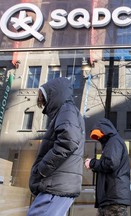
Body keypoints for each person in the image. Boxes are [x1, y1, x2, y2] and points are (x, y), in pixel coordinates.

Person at [27, 77, 85, 216]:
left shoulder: (66, 109)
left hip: (55, 185)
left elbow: (68, 141)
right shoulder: (67, 110)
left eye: (44, 99)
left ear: (53, 95)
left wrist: (42, 169)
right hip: (58, 184)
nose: (43, 104)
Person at [84, 118, 131, 216]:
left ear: (104, 130)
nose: (98, 139)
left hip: (113, 198)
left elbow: (111, 164)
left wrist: (92, 163)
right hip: (111, 198)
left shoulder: (113, 141)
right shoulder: (112, 143)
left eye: (98, 135)